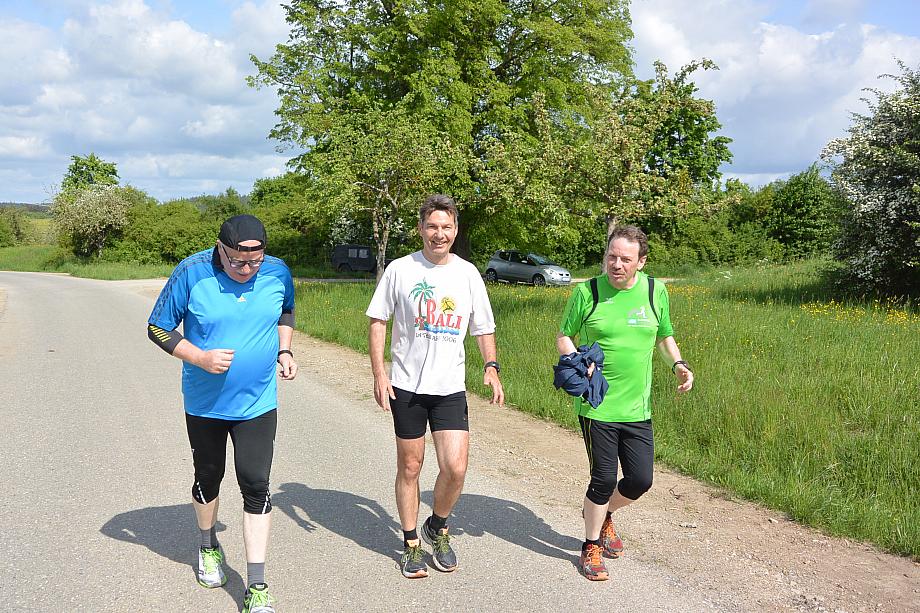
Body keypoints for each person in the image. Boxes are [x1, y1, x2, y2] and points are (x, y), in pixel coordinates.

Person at [147, 214, 296, 613]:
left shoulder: (278, 271)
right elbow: (158, 327)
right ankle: (207, 545)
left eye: (255, 262)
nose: (247, 269)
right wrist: (199, 357)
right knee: (208, 477)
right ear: (220, 248)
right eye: (238, 261)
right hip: (206, 404)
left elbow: (286, 311)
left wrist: (285, 350)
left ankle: (257, 585)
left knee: (256, 483)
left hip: (258, 403)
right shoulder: (192, 272)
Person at [366, 194, 504, 579]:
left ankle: (438, 526)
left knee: (455, 468)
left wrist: (491, 366)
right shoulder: (400, 269)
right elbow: (378, 320)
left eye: (446, 227)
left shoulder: (468, 274)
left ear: (455, 230)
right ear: (421, 229)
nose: (438, 234)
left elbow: (483, 326)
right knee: (411, 466)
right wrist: (379, 373)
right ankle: (411, 543)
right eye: (432, 226)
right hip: (406, 386)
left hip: (449, 388)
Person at [556, 225, 693, 581]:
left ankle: (604, 515)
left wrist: (678, 364)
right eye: (611, 257)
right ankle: (590, 545)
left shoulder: (654, 290)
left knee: (640, 480)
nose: (616, 265)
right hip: (597, 404)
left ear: (641, 262)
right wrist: (578, 362)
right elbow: (564, 336)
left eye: (625, 259)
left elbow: (664, 336)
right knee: (603, 479)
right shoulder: (588, 292)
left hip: (637, 408)